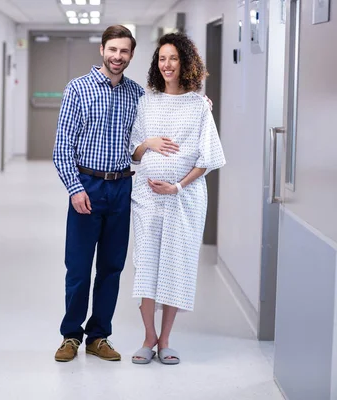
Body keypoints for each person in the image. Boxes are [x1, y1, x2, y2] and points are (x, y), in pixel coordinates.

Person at [129, 32, 226, 365]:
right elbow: (134, 150)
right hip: (146, 199)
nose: (166, 64)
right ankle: (148, 337)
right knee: (146, 267)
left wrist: (177, 186)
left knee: (175, 265)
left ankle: (166, 339)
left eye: (173, 58)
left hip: (184, 199)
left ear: (185, 62)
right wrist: (150, 143)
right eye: (161, 59)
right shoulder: (147, 101)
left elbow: (208, 158)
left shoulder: (199, 105)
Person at [52, 25, 143, 362]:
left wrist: (199, 100)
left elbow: (150, 131)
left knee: (111, 267)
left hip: (121, 186)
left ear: (131, 55)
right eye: (113, 50)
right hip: (86, 187)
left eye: (124, 51)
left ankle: (99, 336)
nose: (118, 57)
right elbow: (62, 149)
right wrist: (75, 189)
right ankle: (71, 336)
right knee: (77, 267)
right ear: (102, 50)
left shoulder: (137, 94)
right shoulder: (78, 89)